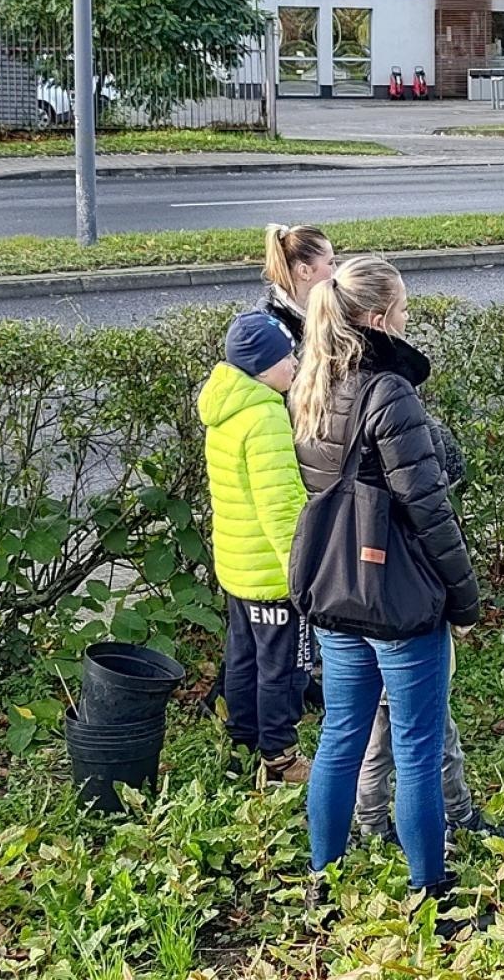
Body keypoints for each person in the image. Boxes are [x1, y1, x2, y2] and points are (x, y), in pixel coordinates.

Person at [289, 255, 479, 911]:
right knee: (417, 747)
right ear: (377, 318)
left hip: (334, 589)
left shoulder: (312, 384)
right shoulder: (389, 392)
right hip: (397, 597)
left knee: (340, 738)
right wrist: (463, 597)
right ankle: (431, 892)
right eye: (401, 310)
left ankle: (323, 882)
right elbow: (427, 509)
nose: (405, 320)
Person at [355, 417, 504, 848]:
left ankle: (370, 824)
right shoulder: (423, 528)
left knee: (375, 743)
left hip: (368, 647)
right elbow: (444, 579)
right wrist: (462, 612)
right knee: (436, 744)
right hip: (412, 651)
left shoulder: (364, 515)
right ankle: (457, 816)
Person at [198, 311, 312, 782]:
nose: (294, 364)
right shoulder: (265, 417)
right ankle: (280, 757)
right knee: (281, 668)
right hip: (271, 573)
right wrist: (300, 573)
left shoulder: (225, 408)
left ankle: (241, 748)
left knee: (242, 660)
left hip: (237, 565)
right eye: (286, 358)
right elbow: (281, 506)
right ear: (262, 367)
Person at [259, 224, 336, 342]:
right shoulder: (272, 329)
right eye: (330, 263)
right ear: (304, 271)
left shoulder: (329, 302)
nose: (336, 269)